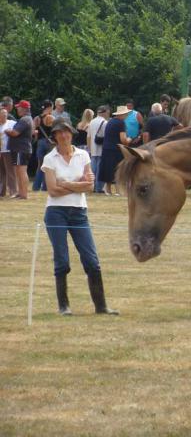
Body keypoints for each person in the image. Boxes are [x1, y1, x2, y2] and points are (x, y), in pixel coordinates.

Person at [42, 118, 118, 316]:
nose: (63, 135)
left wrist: (66, 183)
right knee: (62, 260)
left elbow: (90, 186)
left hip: (79, 213)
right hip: (55, 213)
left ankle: (101, 306)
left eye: (66, 132)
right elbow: (52, 191)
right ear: (55, 136)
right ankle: (64, 306)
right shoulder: (50, 159)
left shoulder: (83, 154)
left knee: (91, 260)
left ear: (71, 134)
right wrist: (78, 184)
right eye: (59, 133)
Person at [98, 105, 132, 196]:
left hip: (107, 148)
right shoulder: (121, 123)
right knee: (118, 170)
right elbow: (123, 139)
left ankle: (108, 190)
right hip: (116, 150)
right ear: (123, 114)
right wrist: (129, 140)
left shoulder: (110, 122)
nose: (127, 115)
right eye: (126, 114)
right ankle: (118, 191)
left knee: (108, 169)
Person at [4, 100, 34, 199]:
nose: (17, 109)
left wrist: (7, 130)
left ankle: (24, 194)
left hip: (21, 149)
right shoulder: (27, 119)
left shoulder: (24, 119)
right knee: (18, 171)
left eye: (18, 107)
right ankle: (20, 193)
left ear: (24, 108)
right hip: (20, 149)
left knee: (21, 171)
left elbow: (15, 133)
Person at [32, 99, 54, 191]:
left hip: (40, 142)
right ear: (49, 107)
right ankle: (45, 187)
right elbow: (54, 130)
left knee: (40, 165)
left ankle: (36, 186)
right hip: (49, 143)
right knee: (48, 166)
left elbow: (34, 132)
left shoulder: (37, 118)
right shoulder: (51, 118)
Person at [86, 105, 109, 193]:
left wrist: (89, 148)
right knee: (100, 169)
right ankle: (99, 188)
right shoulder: (105, 122)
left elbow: (88, 136)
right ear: (104, 112)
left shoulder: (92, 122)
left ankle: (91, 186)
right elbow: (106, 137)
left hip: (93, 148)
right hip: (101, 148)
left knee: (92, 169)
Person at [0, 108, 17, 197]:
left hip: (8, 151)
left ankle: (13, 192)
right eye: (2, 114)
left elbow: (18, 132)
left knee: (10, 172)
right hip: (0, 151)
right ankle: (1, 192)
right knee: (1, 172)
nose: (4, 116)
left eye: (5, 114)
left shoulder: (11, 123)